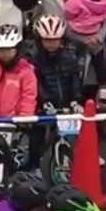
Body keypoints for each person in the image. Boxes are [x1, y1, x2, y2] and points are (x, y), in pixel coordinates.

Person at [26, 15, 85, 168]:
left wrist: (76, 100)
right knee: (37, 135)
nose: (51, 44)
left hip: (64, 105)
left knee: (73, 132)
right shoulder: (34, 60)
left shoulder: (70, 59)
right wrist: (44, 101)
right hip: (42, 106)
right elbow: (35, 83)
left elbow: (75, 81)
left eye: (55, 40)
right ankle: (33, 166)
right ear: (40, 40)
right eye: (47, 40)